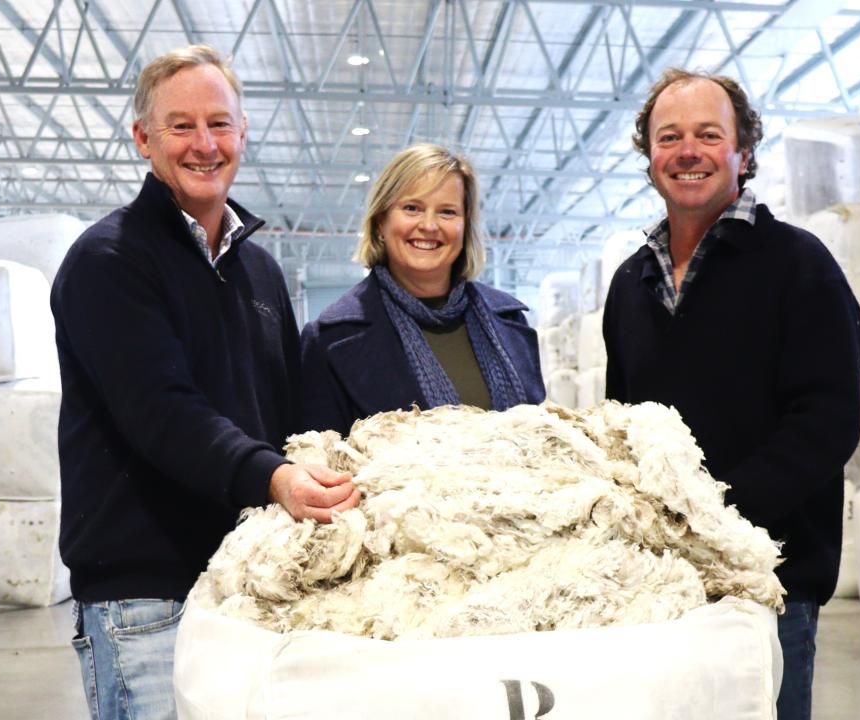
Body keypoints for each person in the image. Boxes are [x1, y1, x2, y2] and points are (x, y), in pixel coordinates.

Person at [50, 45, 360, 720]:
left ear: (243, 135)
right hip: (147, 599)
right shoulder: (109, 262)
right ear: (143, 138)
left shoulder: (263, 276)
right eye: (181, 126)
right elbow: (161, 412)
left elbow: (287, 415)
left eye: (219, 124)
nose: (204, 144)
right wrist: (275, 478)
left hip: (249, 588)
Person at [602, 68, 860, 720]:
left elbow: (827, 420)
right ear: (650, 156)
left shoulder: (797, 266)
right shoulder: (629, 286)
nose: (687, 151)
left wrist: (714, 513)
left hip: (767, 587)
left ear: (743, 154)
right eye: (670, 137)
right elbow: (620, 428)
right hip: (659, 586)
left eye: (707, 134)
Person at [299, 143, 545, 434]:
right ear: (381, 222)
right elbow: (319, 464)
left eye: (447, 212)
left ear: (465, 227)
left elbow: (541, 441)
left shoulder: (511, 322)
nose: (429, 225)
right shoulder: (330, 338)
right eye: (412, 208)